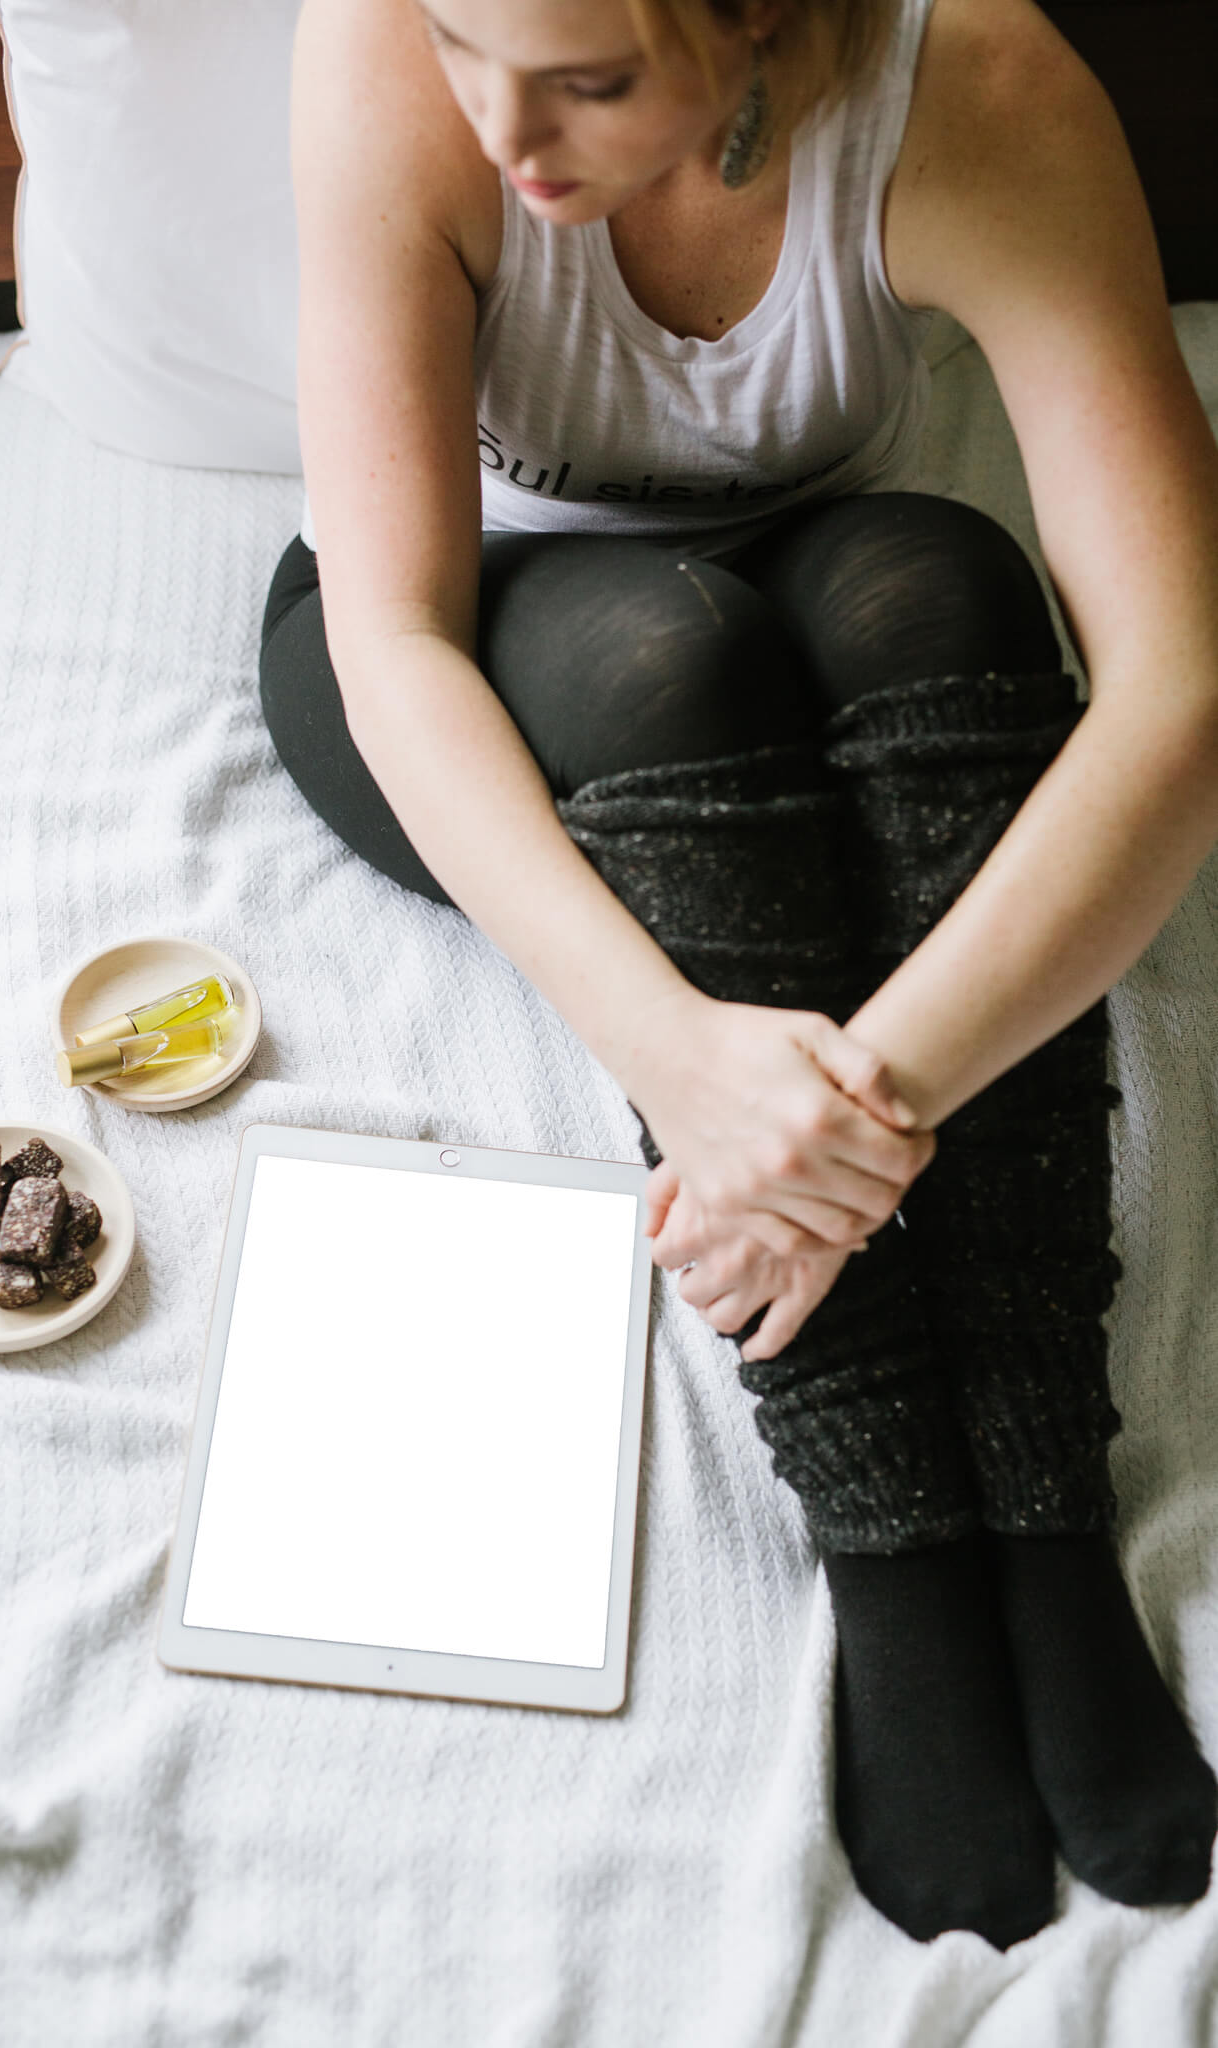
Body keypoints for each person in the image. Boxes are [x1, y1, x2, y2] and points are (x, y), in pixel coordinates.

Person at [259, 0, 1218, 1947]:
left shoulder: (980, 91)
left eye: (590, 83)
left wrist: (877, 1086)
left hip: (818, 580)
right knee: (676, 670)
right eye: (466, 45)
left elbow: (1180, 696)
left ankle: (1037, 1478)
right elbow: (393, 639)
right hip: (452, 641)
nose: (502, 132)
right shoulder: (380, 53)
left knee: (949, 584)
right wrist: (678, 1064)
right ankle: (889, 1518)